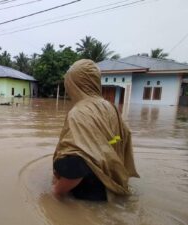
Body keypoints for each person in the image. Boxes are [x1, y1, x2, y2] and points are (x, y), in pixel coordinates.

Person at [52, 59, 139, 201]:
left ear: (73, 84)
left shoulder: (79, 112)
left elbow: (75, 163)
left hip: (88, 193)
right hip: (112, 182)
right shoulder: (111, 107)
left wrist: (56, 192)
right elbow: (123, 139)